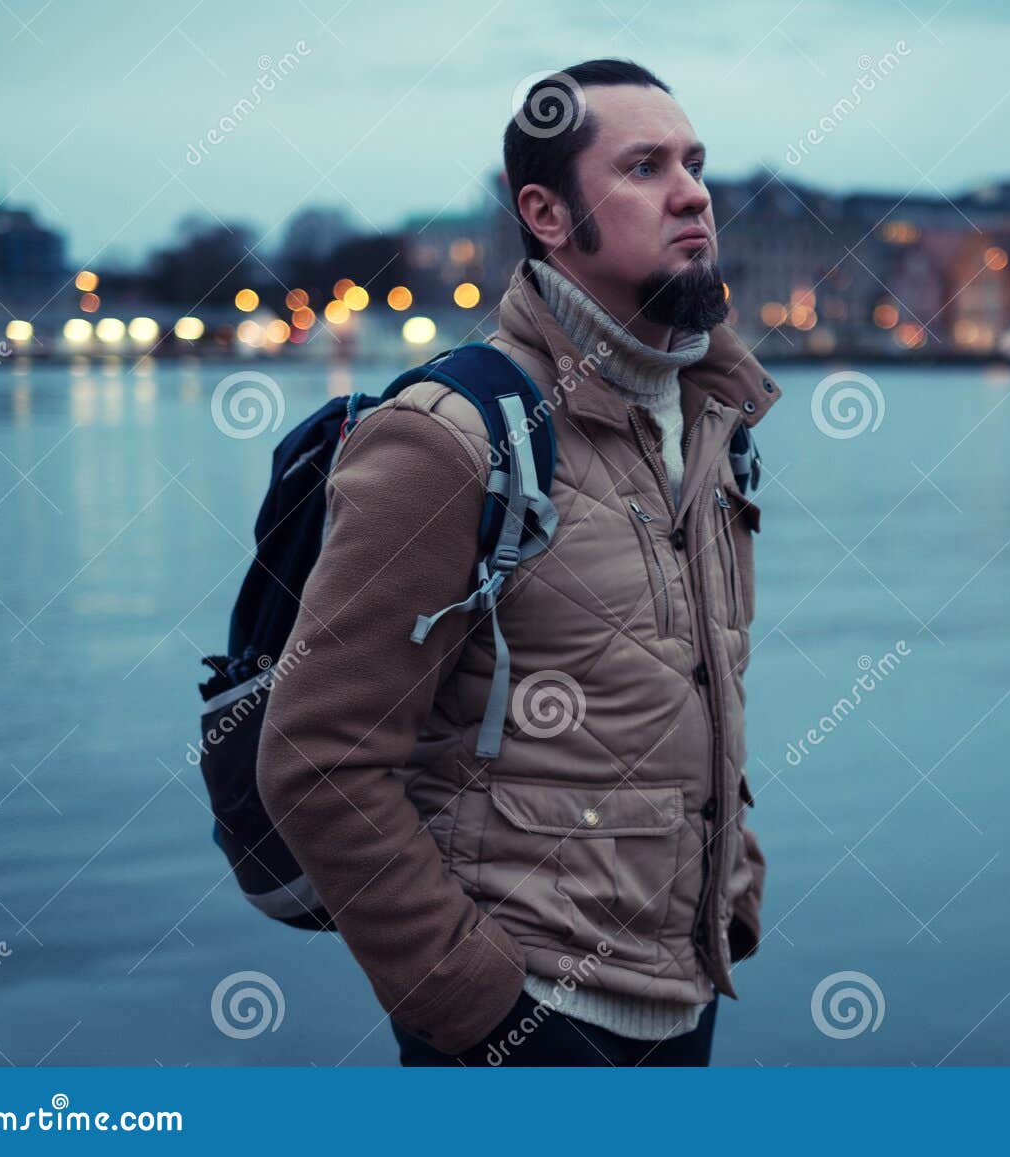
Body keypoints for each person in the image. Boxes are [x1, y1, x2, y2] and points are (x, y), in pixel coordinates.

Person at [254, 58, 779, 1066]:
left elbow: (698, 681)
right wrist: (473, 1002)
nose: (693, 192)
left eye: (696, 162)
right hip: (522, 1020)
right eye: (644, 166)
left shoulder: (712, 417)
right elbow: (318, 755)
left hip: (683, 995)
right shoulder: (449, 437)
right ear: (545, 213)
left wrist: (735, 890)